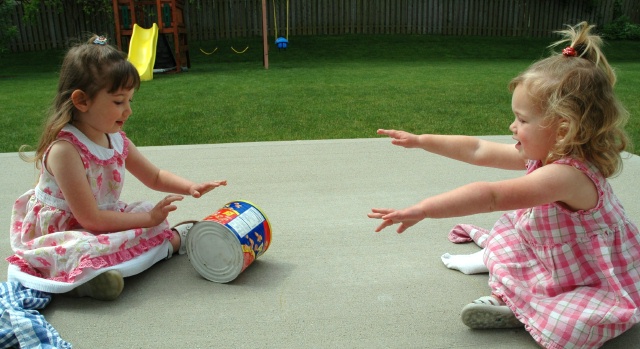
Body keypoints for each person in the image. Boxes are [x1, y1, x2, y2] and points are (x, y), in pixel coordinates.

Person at [368, 22, 639, 349]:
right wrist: (422, 141)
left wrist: (423, 210)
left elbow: (491, 196)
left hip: (585, 271)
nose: (512, 127)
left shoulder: (567, 174)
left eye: (522, 120)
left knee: (577, 326)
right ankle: (511, 293)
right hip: (552, 247)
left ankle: (515, 305)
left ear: (564, 127)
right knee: (507, 241)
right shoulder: (551, 152)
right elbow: (477, 149)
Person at [6, 35, 227, 301]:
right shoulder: (66, 150)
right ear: (82, 101)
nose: (128, 111)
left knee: (147, 211)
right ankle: (86, 279)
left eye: (130, 101)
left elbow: (154, 176)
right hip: (67, 231)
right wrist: (148, 221)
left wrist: (190, 186)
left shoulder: (116, 138)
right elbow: (90, 220)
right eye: (119, 102)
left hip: (101, 220)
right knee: (86, 247)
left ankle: (155, 249)